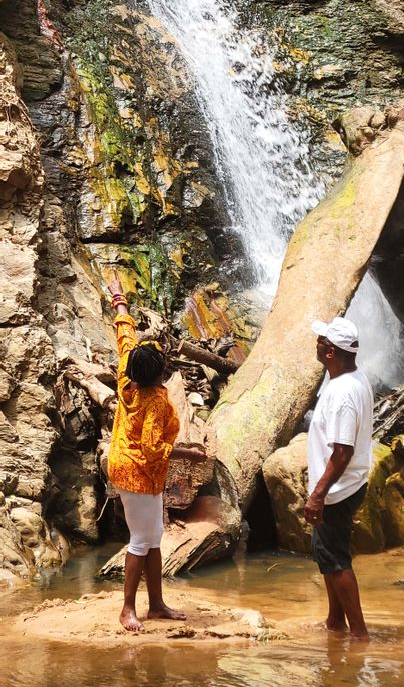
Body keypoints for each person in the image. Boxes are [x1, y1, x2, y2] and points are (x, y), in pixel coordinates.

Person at [106, 269, 206, 632]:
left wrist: (119, 300)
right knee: (141, 539)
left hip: (124, 465)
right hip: (138, 474)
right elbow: (151, 448)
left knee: (153, 537)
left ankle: (157, 603)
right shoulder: (154, 403)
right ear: (160, 374)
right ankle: (128, 609)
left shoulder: (125, 374)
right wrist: (185, 454)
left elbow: (125, 336)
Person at [304, 316, 374, 641]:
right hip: (347, 484)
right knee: (327, 555)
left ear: (330, 352)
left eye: (321, 341)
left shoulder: (344, 393)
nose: (316, 343)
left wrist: (318, 493)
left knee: (336, 559)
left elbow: (342, 453)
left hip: (338, 490)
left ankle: (359, 636)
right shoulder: (352, 379)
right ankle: (335, 621)